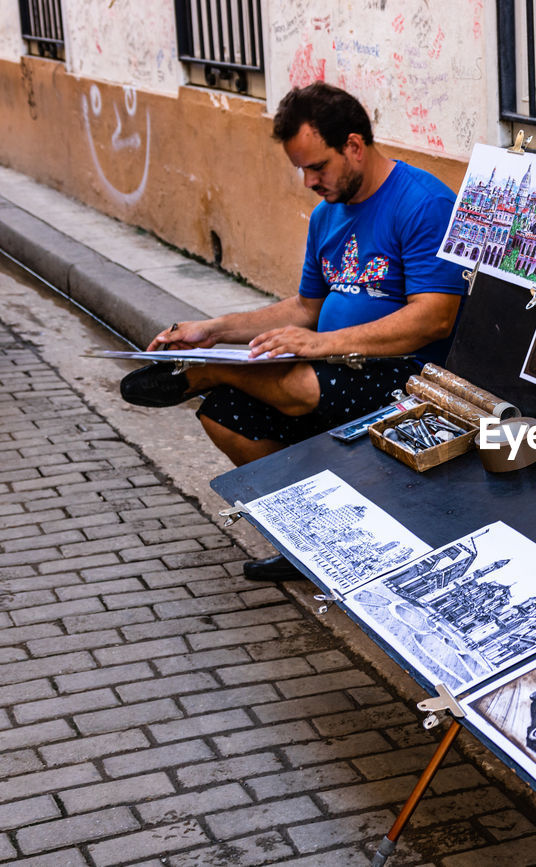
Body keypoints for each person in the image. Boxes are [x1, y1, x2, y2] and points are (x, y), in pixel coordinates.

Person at [120, 82, 466, 580]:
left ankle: (208, 374)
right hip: (335, 365)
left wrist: (320, 344)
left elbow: (434, 317)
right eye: (301, 169)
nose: (308, 181)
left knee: (300, 386)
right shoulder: (327, 215)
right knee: (225, 417)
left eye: (317, 166)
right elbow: (305, 307)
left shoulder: (422, 203)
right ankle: (315, 545)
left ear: (353, 145)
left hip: (407, 377)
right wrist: (214, 331)